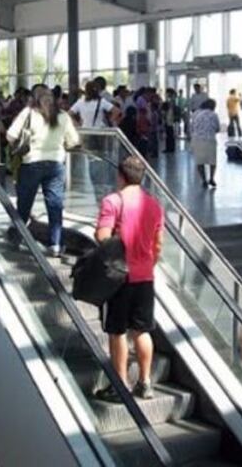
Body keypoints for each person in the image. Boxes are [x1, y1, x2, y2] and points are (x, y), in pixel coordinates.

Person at [94, 156, 164, 402]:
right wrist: (148, 262)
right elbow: (158, 244)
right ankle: (145, 383)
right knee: (142, 331)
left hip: (121, 277)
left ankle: (119, 385)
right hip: (145, 276)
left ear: (121, 176)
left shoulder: (113, 201)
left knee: (117, 331)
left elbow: (103, 235)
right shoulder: (154, 205)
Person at [6, 87, 80, 256]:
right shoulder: (62, 116)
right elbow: (74, 140)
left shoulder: (29, 113)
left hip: (31, 163)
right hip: (56, 165)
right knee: (55, 205)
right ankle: (55, 244)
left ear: (35, 98)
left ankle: (18, 238)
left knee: (24, 204)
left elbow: (10, 136)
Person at [190, 99, 220, 188]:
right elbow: (217, 128)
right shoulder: (214, 115)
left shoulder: (195, 114)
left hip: (197, 139)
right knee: (212, 161)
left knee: (199, 161)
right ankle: (211, 178)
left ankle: (204, 179)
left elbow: (192, 127)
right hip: (210, 139)